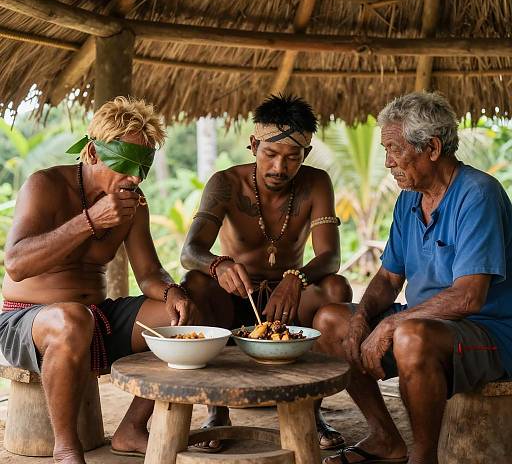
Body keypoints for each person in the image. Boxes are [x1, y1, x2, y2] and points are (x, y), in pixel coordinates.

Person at [314, 91, 512, 464]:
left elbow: (469, 298)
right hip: (424, 324)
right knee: (330, 322)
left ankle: (424, 457)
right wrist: (360, 320)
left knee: (409, 335)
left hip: (489, 331)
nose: (387, 161)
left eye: (394, 148)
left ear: (432, 148)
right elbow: (389, 278)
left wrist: (390, 327)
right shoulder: (409, 198)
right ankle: (385, 439)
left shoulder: (478, 194)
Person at [0, 96, 200, 464]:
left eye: (144, 166)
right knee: (72, 319)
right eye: (125, 163)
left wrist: (172, 291)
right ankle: (66, 450)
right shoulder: (44, 185)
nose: (135, 177)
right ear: (92, 153)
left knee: (186, 324)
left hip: (97, 318)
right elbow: (15, 264)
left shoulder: (133, 203)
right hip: (25, 320)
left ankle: (132, 428)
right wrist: (90, 220)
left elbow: (149, 273)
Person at [181, 93, 353, 452]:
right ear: (253, 144)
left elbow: (330, 256)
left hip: (288, 303)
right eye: (270, 154)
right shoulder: (225, 183)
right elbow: (190, 252)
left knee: (336, 288)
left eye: (292, 157)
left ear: (305, 154)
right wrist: (218, 264)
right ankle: (217, 411)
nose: (279, 167)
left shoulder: (316, 183)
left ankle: (310, 411)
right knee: (195, 283)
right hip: (234, 296)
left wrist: (296, 278)